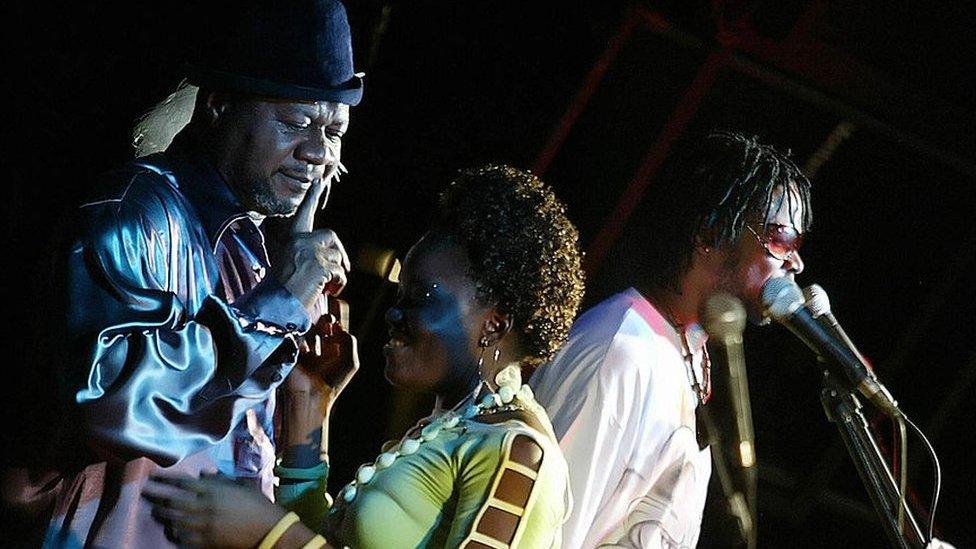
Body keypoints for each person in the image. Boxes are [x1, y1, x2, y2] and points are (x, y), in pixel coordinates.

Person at [13, 1, 365, 546]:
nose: (319, 152)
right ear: (220, 105)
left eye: (335, 130)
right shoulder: (137, 212)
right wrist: (273, 310)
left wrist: (303, 389)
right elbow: (111, 401)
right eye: (298, 122)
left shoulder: (260, 245)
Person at [144, 164, 586, 548]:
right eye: (400, 293)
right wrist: (309, 408)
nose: (394, 312)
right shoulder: (453, 426)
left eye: (421, 298)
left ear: (495, 324)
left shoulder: (520, 454)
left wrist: (269, 533)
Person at [530, 131, 813, 548]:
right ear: (710, 235)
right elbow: (542, 532)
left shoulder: (688, 355)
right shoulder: (620, 353)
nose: (796, 261)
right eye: (781, 239)